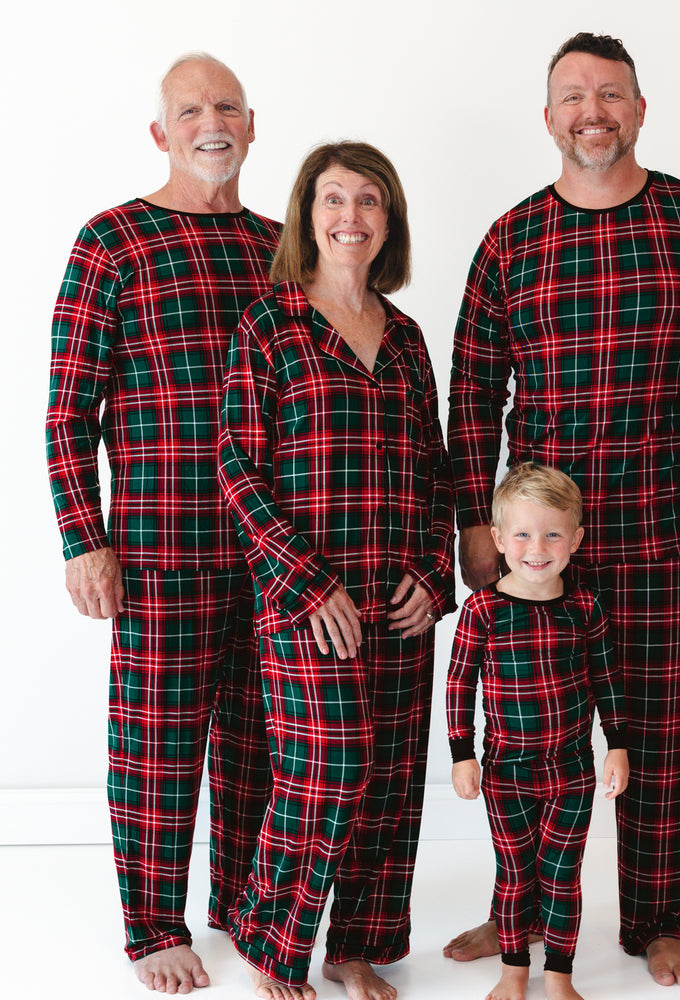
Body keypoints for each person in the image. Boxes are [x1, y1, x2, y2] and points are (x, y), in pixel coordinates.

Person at [446, 31, 680, 987]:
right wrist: (477, 528)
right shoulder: (512, 239)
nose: (591, 111)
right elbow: (473, 389)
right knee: (524, 739)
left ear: (640, 110)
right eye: (572, 95)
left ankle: (664, 917)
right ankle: (512, 916)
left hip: (664, 525)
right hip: (536, 541)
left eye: (611, 93)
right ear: (548, 116)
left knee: (662, 727)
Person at [45, 53, 279, 994]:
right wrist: (81, 535)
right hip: (158, 548)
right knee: (157, 741)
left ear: (253, 125)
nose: (210, 122)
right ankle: (152, 927)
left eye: (226, 106)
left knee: (264, 738)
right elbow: (70, 410)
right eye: (191, 110)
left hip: (272, 547)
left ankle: (243, 905)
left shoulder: (283, 245)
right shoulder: (114, 239)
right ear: (161, 132)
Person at [218, 141, 455, 1000]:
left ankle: (355, 943)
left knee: (390, 777)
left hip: (398, 603)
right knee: (327, 768)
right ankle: (273, 942)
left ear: (387, 221)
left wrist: (435, 575)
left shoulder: (406, 337)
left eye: (368, 201)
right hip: (307, 600)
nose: (349, 216)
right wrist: (309, 584)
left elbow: (435, 469)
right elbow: (238, 470)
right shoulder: (270, 325)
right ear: (306, 215)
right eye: (332, 199)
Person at [447, 463, 630, 1000]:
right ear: (499, 539)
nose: (538, 546)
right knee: (514, 875)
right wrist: (462, 754)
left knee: (561, 876)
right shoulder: (482, 611)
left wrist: (615, 746)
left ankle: (560, 978)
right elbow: (459, 685)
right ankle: (512, 974)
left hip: (571, 769)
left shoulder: (584, 608)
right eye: (523, 533)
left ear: (575, 538)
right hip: (506, 770)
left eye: (552, 533)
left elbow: (607, 681)